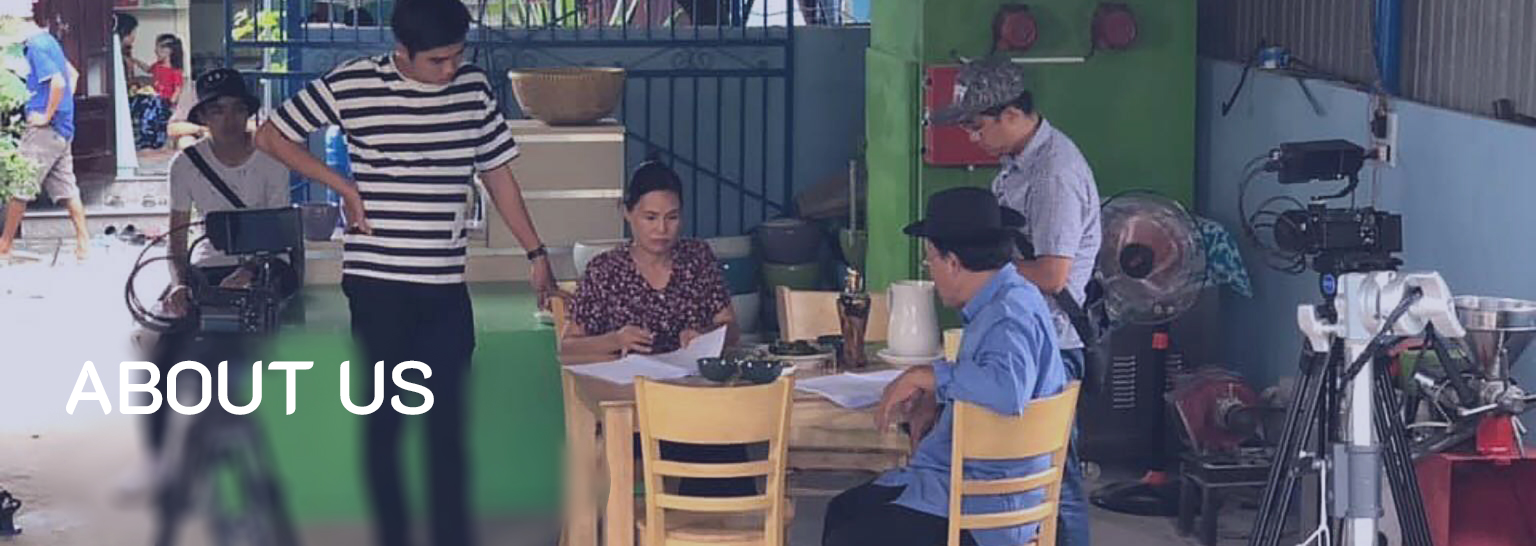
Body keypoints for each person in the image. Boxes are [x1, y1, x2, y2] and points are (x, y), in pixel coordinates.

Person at [253, 0, 558, 544]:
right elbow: (270, 135)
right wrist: (343, 187)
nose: (450, 69)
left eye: (457, 55)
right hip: (378, 287)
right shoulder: (353, 83)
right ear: (403, 51)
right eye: (438, 60)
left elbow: (498, 177)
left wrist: (536, 253)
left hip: (444, 288)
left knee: (447, 427)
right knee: (387, 425)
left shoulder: (472, 89)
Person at [821, 187, 1069, 546]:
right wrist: (937, 394)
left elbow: (1007, 389)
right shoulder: (1011, 297)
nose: (932, 274)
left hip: (983, 508)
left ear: (952, 263)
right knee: (844, 510)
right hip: (966, 488)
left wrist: (930, 376)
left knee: (850, 538)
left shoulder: (1008, 314)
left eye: (931, 262)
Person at [930, 56, 1101, 546]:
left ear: (1010, 114)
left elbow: (1052, 273)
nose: (971, 137)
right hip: (1017, 335)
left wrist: (975, 270)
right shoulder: (1018, 164)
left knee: (1056, 481)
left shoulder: (1053, 174)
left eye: (976, 125)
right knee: (1025, 476)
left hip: (1048, 345)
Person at [562, 158, 738, 356]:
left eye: (672, 217)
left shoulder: (697, 258)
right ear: (627, 213)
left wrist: (704, 336)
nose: (662, 229)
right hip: (627, 374)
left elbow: (731, 329)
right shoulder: (604, 271)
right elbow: (567, 347)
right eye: (650, 218)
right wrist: (615, 340)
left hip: (690, 374)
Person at [0, 11, 87, 260]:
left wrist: (46, 115)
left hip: (44, 130)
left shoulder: (35, 46)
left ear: (14, 22)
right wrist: (63, 109)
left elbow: (59, 82)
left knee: (21, 186)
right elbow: (73, 74)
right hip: (63, 128)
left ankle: (4, 245)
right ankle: (83, 242)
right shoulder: (49, 41)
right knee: (67, 188)